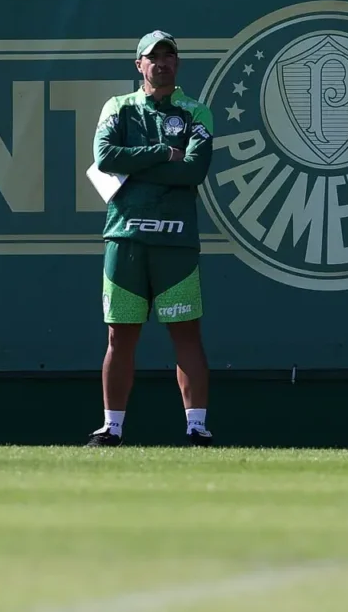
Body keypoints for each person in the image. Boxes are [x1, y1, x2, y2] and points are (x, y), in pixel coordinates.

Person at [84, 30, 215, 447]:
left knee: (186, 332)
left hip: (176, 240)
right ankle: (112, 428)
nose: (161, 62)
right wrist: (162, 153)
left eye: (169, 55)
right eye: (152, 56)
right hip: (125, 237)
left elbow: (194, 172)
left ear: (177, 63)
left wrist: (137, 163)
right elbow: (105, 157)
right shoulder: (118, 107)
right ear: (138, 64)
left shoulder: (197, 112)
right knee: (119, 335)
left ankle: (197, 428)